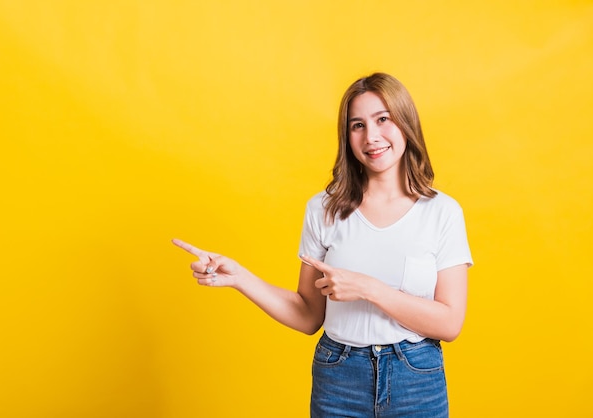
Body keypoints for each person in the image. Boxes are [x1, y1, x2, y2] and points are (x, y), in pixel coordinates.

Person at [173, 72, 473, 417]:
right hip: (339, 376)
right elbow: (308, 315)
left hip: (416, 377)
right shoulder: (324, 209)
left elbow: (450, 324)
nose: (371, 136)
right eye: (357, 125)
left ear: (406, 122)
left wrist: (368, 288)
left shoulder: (442, 212)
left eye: (383, 119)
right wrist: (239, 277)